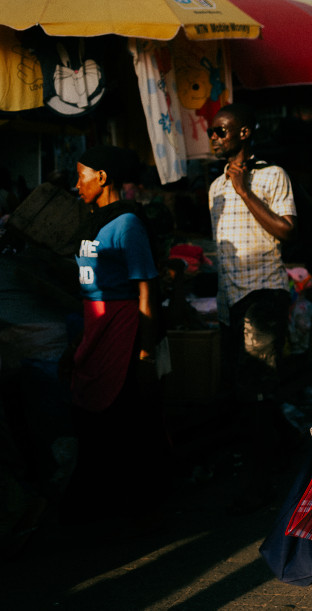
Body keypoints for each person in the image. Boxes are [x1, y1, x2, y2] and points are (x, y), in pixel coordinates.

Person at [207, 103, 297, 507]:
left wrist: (244, 190)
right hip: (233, 299)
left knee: (258, 387)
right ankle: (278, 463)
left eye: (221, 131)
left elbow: (285, 230)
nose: (214, 138)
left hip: (264, 293)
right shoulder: (214, 189)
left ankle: (263, 481)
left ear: (243, 133)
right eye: (211, 132)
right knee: (245, 388)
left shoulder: (272, 175)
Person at [66, 146, 160, 522]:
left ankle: (126, 513)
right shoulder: (94, 220)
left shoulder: (127, 224)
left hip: (119, 329)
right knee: (94, 421)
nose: (77, 184)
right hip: (93, 328)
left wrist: (146, 351)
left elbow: (146, 290)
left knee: (117, 423)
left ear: (102, 177)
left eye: (81, 175)